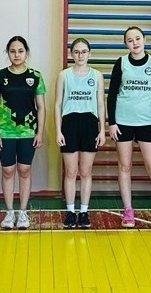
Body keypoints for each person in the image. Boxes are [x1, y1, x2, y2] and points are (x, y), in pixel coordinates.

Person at [107, 26, 151, 232]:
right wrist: (112, 122)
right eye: (130, 40)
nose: (135, 43)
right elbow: (112, 94)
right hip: (123, 121)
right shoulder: (121, 63)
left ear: (144, 40)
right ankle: (128, 211)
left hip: (147, 122)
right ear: (125, 44)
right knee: (124, 166)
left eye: (137, 38)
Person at [0, 36, 45, 230]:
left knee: (24, 170)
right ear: (8, 53)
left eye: (20, 51)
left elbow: (41, 107)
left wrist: (39, 132)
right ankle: (9, 212)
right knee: (8, 170)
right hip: (5, 132)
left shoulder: (35, 76)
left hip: (28, 132)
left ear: (26, 53)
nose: (16, 55)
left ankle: (22, 212)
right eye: (12, 51)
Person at [55, 38, 105, 229]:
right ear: (71, 54)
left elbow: (100, 104)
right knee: (70, 171)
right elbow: (58, 104)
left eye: (84, 52)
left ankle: (83, 212)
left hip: (89, 123)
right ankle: (70, 211)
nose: (80, 55)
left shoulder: (97, 75)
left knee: (85, 171)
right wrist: (58, 130)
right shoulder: (64, 75)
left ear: (89, 53)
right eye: (76, 52)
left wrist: (102, 130)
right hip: (69, 123)